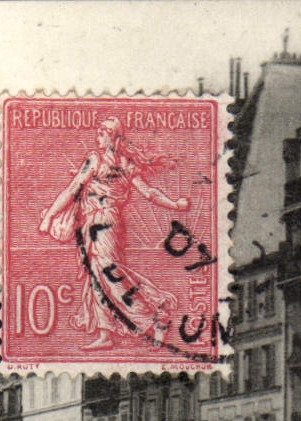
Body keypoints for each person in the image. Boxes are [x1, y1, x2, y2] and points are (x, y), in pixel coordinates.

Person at [38, 115, 190, 352]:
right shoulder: (124, 164)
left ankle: (155, 318)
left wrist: (49, 216)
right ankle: (105, 333)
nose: (98, 134)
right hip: (97, 223)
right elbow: (149, 192)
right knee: (97, 276)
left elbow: (73, 189)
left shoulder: (98, 160)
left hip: (103, 223)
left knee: (109, 273)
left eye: (104, 131)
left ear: (114, 138)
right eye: (98, 130)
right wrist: (175, 204)